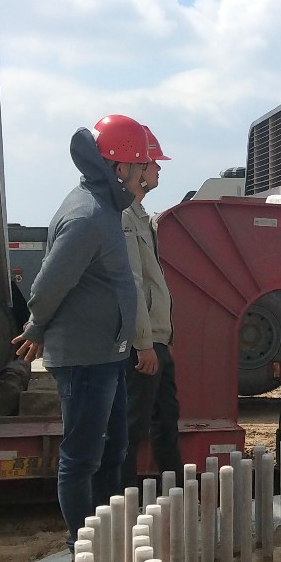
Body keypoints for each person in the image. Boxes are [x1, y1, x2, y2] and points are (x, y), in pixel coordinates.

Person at [11, 114, 146, 562]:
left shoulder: (105, 207)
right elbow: (48, 284)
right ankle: (81, 550)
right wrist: (36, 325)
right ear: (119, 166)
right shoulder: (88, 215)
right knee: (82, 457)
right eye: (139, 165)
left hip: (107, 353)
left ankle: (103, 533)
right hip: (86, 358)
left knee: (113, 449)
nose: (143, 173)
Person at [121, 126, 184, 489]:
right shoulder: (124, 219)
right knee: (133, 428)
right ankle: (123, 505)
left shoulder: (141, 217)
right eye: (154, 163)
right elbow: (132, 283)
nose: (159, 169)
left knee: (166, 421)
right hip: (142, 346)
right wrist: (143, 343)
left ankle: (178, 498)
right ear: (137, 168)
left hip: (156, 341)